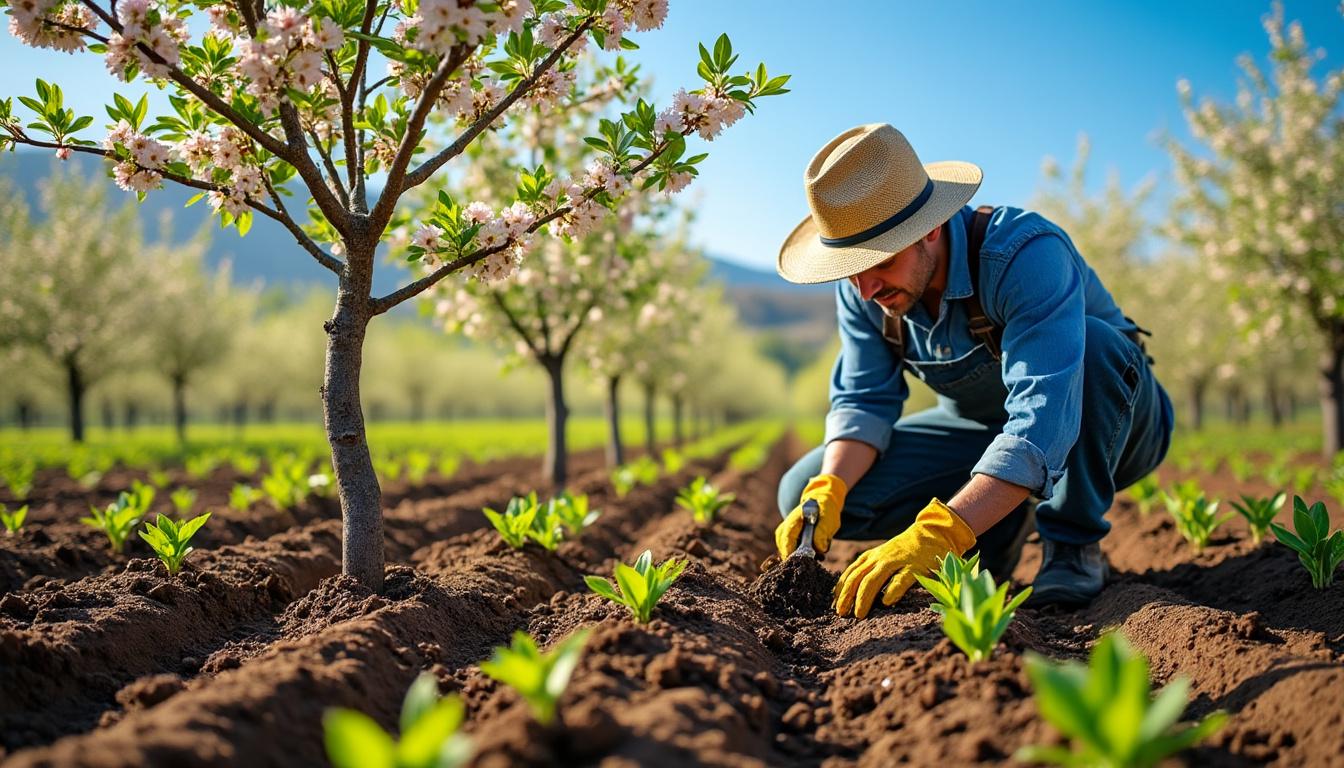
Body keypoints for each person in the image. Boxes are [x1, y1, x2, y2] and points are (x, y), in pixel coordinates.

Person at [774, 123, 1174, 619]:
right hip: (981, 431)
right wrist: (828, 488)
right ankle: (998, 527)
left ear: (930, 228)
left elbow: (1042, 416)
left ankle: (1071, 543)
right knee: (800, 487)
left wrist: (942, 531)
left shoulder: (1023, 255)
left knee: (1093, 345)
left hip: (1112, 428)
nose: (866, 288)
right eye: (850, 269)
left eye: (880, 261)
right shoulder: (865, 292)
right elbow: (864, 401)